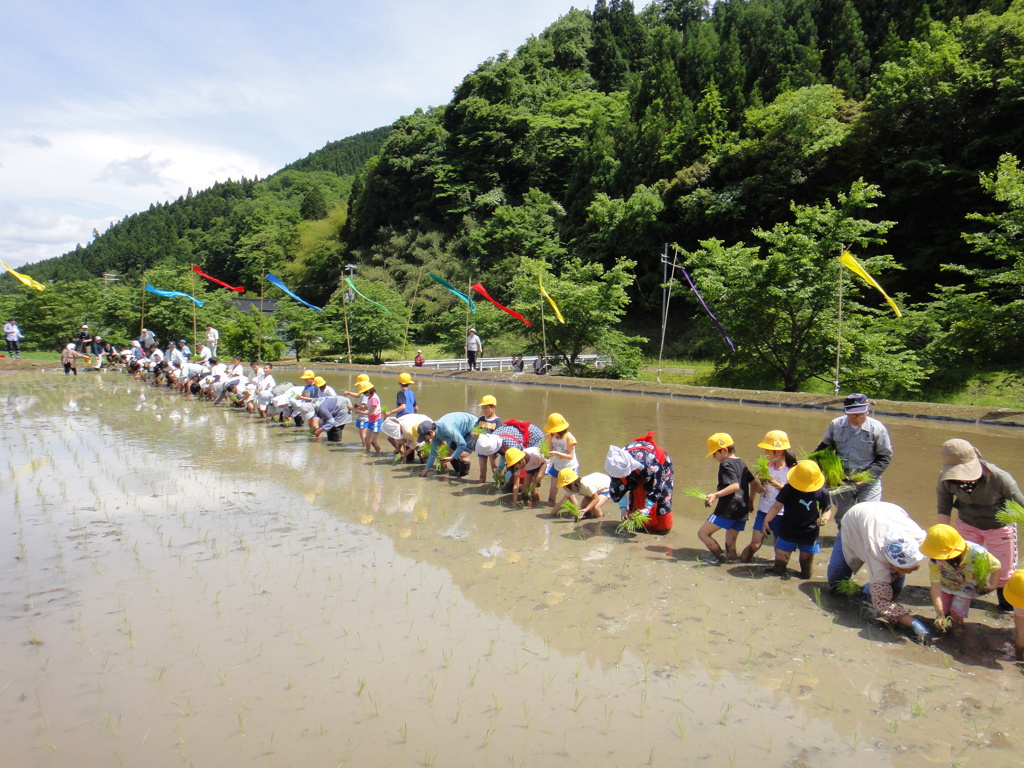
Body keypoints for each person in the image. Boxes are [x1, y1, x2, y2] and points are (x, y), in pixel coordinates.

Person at [936, 438, 1024, 610]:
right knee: (966, 565)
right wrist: (945, 538)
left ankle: (1005, 606)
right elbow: (943, 507)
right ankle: (964, 602)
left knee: (1004, 571)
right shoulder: (945, 480)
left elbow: (1020, 504)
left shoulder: (1000, 477)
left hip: (999, 526)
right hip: (967, 523)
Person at [826, 501, 932, 644]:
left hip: (888, 511)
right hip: (854, 521)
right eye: (906, 569)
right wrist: (914, 623)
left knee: (896, 587)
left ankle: (867, 590)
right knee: (836, 582)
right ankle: (867, 589)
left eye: (915, 565)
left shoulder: (919, 539)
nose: (914, 570)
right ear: (892, 564)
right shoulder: (878, 559)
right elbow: (882, 603)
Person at [816, 393, 892, 525]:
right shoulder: (836, 425)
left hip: (868, 481)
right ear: (846, 412)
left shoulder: (877, 429)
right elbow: (824, 449)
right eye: (853, 414)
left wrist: (866, 476)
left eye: (861, 414)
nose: (857, 418)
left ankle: (864, 542)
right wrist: (810, 463)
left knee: (868, 515)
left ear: (867, 411)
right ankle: (843, 540)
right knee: (843, 516)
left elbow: (884, 457)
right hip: (841, 480)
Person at [920, 524, 1000, 635]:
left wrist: (992, 585)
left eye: (941, 556)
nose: (938, 559)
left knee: (956, 615)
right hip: (945, 585)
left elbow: (996, 567)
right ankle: (945, 631)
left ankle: (959, 635)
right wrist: (940, 614)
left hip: (966, 588)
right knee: (944, 610)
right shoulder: (934, 561)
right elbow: (935, 588)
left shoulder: (977, 553)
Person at [763, 460, 833, 579]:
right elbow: (776, 506)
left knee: (806, 573)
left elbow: (827, 509)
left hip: (809, 534)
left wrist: (824, 519)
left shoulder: (821, 492)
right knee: (778, 568)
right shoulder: (789, 489)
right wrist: (766, 521)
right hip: (787, 532)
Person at [697, 433, 757, 563]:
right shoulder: (742, 463)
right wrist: (751, 501)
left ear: (724, 450)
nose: (714, 457)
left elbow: (735, 486)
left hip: (728, 508)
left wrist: (715, 495)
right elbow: (754, 484)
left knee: (703, 533)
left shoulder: (725, 464)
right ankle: (731, 561)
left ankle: (721, 559)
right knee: (731, 541)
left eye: (714, 453)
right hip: (742, 508)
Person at [741, 430, 797, 563]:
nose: (765, 453)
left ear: (779, 452)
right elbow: (760, 490)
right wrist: (758, 486)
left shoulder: (792, 470)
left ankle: (777, 571)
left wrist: (773, 482)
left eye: (768, 450)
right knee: (755, 543)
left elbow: (791, 493)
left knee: (779, 549)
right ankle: (740, 563)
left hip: (783, 514)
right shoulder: (766, 467)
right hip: (764, 511)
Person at [605, 432, 674, 533]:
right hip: (637, 468)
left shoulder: (647, 464)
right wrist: (623, 508)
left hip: (660, 466)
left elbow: (655, 486)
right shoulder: (615, 463)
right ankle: (638, 525)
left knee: (662, 497)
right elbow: (617, 486)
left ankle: (662, 529)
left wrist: (648, 508)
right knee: (636, 495)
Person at [475, 420, 545, 483]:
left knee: (532, 465)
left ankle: (533, 483)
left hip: (533, 437)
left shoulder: (510, 444)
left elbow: (520, 458)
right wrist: (499, 468)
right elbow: (504, 453)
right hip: (516, 437)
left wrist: (509, 473)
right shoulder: (494, 438)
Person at [418, 412, 479, 477]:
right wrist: (426, 470)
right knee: (448, 453)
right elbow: (433, 453)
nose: (425, 439)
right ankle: (458, 472)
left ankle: (463, 478)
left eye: (425, 437)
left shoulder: (446, 428)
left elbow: (462, 444)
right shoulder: (435, 434)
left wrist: (453, 457)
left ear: (430, 432)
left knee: (463, 454)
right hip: (460, 431)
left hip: (473, 426)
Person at [543, 413, 579, 505]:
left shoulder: (568, 438)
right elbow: (551, 450)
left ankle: (576, 513)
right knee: (552, 492)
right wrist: (549, 450)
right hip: (557, 466)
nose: (552, 432)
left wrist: (556, 453)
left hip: (569, 468)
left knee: (570, 493)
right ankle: (549, 509)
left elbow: (571, 456)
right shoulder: (552, 436)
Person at [353, 380, 382, 453]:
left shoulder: (374, 399)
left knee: (373, 441)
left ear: (368, 390)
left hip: (376, 421)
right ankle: (367, 452)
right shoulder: (370, 397)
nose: (364, 394)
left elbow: (371, 413)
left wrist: (358, 411)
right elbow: (367, 407)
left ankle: (379, 452)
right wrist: (359, 407)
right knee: (366, 439)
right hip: (371, 421)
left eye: (364, 392)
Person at [1001, 570, 1024, 661]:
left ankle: (1019, 656)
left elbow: (1020, 636)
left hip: (1019, 595)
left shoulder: (1017, 584)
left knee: (1020, 633)